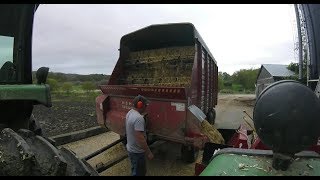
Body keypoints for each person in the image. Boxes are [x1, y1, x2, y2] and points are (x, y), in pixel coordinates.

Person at [125, 95, 153, 176]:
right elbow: (140, 138)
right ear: (140, 105)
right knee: (139, 173)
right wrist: (149, 153)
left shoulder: (130, 112)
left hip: (131, 149)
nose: (146, 107)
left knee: (135, 169)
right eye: (145, 105)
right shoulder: (139, 118)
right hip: (137, 152)